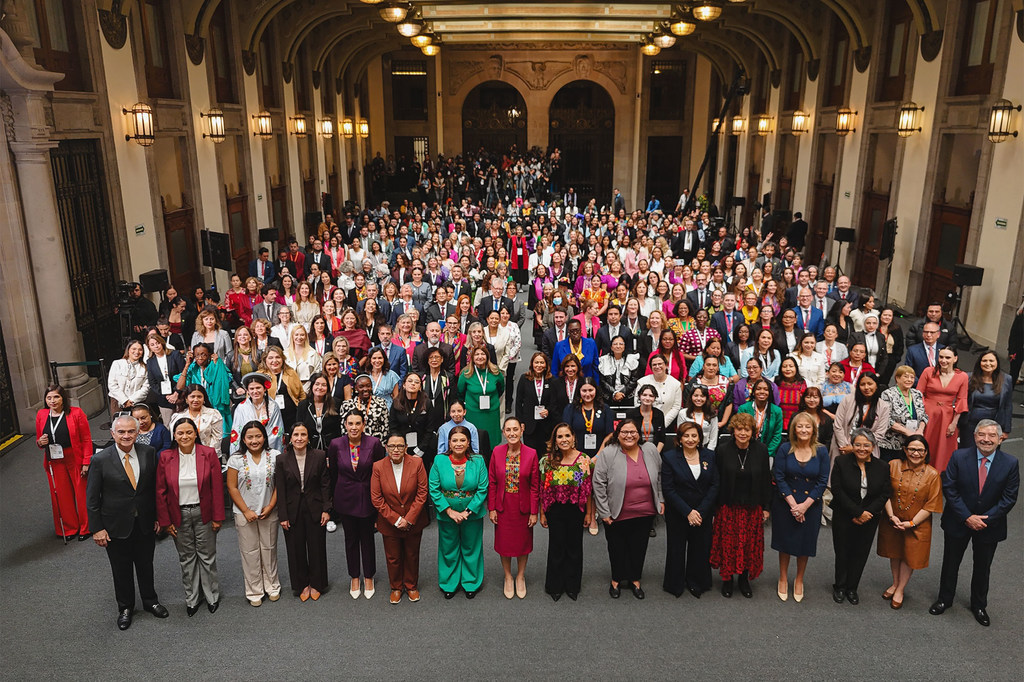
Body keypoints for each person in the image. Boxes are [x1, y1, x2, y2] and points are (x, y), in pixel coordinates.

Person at [930, 420, 1020, 627]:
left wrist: (984, 519)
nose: (986, 439)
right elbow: (949, 488)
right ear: (974, 436)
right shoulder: (959, 456)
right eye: (982, 434)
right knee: (951, 562)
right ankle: (944, 599)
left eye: (991, 436)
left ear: (1000, 439)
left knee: (982, 567)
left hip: (990, 525)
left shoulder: (1010, 463)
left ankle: (979, 605)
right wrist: (967, 517)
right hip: (958, 520)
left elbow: (1009, 497)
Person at [86, 415, 169, 630]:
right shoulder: (100, 460)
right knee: (121, 569)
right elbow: (92, 499)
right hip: (115, 527)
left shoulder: (149, 453)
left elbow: (154, 490)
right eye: (121, 432)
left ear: (138, 432)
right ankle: (125, 607)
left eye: (131, 431)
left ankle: (150, 601)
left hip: (144, 523)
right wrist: (97, 529)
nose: (126, 436)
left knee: (146, 565)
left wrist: (159, 516)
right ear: (113, 434)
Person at [155, 418, 224, 616]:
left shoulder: (208, 454)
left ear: (196, 434)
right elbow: (160, 492)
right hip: (179, 514)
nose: (184, 436)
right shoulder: (166, 457)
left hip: (205, 513)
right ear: (174, 436)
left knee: (207, 556)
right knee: (186, 558)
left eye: (188, 432)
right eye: (180, 433)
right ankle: (192, 598)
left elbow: (217, 488)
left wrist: (218, 517)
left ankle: (211, 595)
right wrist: (165, 521)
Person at [592, 418, 664, 599]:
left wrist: (661, 499)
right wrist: (603, 511)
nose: (629, 435)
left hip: (645, 511)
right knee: (617, 547)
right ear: (618, 434)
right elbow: (598, 484)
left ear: (639, 434)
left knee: (639, 547)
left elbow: (660, 476)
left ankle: (635, 579)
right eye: (624, 432)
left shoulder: (650, 450)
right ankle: (616, 579)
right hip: (617, 511)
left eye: (633, 432)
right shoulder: (609, 453)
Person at [876, 435, 943, 610]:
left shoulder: (932, 474)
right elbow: (885, 493)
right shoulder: (893, 466)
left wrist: (911, 523)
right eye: (912, 449)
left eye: (920, 450)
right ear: (904, 450)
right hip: (892, 519)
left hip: (917, 524)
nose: (915, 453)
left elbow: (931, 505)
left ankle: (900, 589)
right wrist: (891, 517)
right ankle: (895, 583)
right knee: (894, 552)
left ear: (926, 452)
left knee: (909, 556)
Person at [711, 413, 772, 598]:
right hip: (728, 506)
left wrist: (766, 507)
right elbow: (717, 480)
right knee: (728, 544)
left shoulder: (761, 450)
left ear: (752, 431)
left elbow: (766, 481)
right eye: (739, 429)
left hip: (752, 507)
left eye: (747, 429)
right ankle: (728, 579)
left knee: (748, 545)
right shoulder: (722, 450)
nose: (743, 433)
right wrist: (715, 507)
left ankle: (744, 579)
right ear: (733, 430)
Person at [770, 413, 830, 603]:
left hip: (810, 505)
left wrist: (804, 506)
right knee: (785, 543)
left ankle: (799, 580)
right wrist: (794, 505)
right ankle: (782, 578)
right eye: (799, 426)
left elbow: (822, 481)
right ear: (794, 429)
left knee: (805, 544)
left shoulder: (821, 451)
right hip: (786, 504)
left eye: (808, 426)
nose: (804, 430)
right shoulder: (784, 448)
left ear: (814, 429)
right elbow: (778, 477)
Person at [828, 428, 890, 605]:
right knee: (842, 552)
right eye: (858, 445)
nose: (862, 449)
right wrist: (857, 512)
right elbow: (837, 490)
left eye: (866, 445)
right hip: (844, 514)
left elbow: (885, 493)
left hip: (870, 518)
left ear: (873, 446)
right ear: (852, 445)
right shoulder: (841, 462)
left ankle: (852, 588)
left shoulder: (883, 466)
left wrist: (867, 513)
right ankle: (840, 586)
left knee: (860, 553)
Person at [328, 410, 386, 599]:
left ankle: (368, 576)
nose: (354, 427)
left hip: (368, 497)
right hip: (345, 498)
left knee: (367, 538)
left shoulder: (374, 443)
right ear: (345, 425)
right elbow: (333, 474)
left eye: (357, 423)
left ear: (364, 424)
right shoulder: (336, 444)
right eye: (350, 423)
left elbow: (379, 472)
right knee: (350, 539)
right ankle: (354, 576)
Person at [429, 425, 490, 599]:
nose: (458, 443)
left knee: (471, 547)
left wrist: (468, 511)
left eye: (462, 440)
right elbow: (434, 488)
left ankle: (471, 582)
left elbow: (483, 488)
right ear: (449, 442)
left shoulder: (478, 461)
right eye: (454, 440)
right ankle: (449, 582)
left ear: (469, 442)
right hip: (447, 514)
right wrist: (449, 511)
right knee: (448, 549)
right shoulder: (440, 461)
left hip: (472, 513)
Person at [226, 420, 281, 607]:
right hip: (244, 512)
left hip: (269, 510)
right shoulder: (235, 459)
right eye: (250, 437)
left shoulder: (275, 455)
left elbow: (280, 485)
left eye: (258, 436)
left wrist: (272, 505)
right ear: (243, 439)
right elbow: (232, 487)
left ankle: (272, 586)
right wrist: (246, 510)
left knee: (269, 549)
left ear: (264, 437)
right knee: (249, 552)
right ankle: (254, 590)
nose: (254, 440)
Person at [661, 421, 719, 598]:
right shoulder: (670, 457)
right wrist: (688, 512)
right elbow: (668, 489)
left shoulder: (709, 455)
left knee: (700, 548)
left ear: (700, 438)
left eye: (694, 436)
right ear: (679, 438)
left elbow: (715, 485)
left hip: (703, 512)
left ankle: (696, 582)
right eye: (686, 435)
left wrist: (700, 511)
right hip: (679, 512)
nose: (690, 439)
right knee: (676, 548)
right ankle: (675, 584)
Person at [275, 422, 332, 602]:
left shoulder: (320, 456)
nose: (299, 438)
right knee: (295, 548)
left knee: (316, 546)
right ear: (290, 439)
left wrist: (326, 509)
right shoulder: (282, 459)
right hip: (293, 509)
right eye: (296, 435)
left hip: (315, 507)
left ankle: (317, 583)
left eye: (303, 435)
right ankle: (302, 584)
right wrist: (282, 515)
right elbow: (280, 489)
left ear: (308, 438)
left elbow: (325, 485)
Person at [371, 432, 428, 605]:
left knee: (411, 554)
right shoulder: (378, 466)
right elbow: (376, 498)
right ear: (386, 447)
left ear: (406, 447)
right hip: (389, 522)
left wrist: (408, 519)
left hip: (414, 520)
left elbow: (422, 492)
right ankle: (396, 587)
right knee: (393, 556)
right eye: (392, 446)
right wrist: (396, 520)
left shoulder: (417, 463)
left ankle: (411, 585)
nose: (396, 449)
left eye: (400, 446)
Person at [539, 423, 594, 602]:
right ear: (555, 441)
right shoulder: (547, 461)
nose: (564, 440)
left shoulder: (583, 460)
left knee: (574, 547)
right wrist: (542, 513)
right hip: (554, 509)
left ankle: (572, 586)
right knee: (556, 547)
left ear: (573, 438)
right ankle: (554, 585)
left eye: (567, 436)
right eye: (560, 437)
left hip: (576, 509)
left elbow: (587, 490)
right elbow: (543, 489)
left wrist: (589, 514)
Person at [488, 418, 540, 600]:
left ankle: (520, 576)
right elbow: (492, 481)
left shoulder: (532, 453)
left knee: (523, 543)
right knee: (504, 543)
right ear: (503, 432)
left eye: (515, 429)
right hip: (503, 506)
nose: (512, 433)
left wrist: (534, 511)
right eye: (508, 430)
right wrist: (492, 508)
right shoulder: (497, 451)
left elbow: (535, 486)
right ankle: (508, 576)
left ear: (522, 430)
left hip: (523, 506)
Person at [35, 384, 93, 540]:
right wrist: (40, 442)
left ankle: (85, 528)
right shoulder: (41, 414)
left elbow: (86, 439)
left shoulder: (76, 413)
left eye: (56, 397)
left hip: (75, 457)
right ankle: (68, 529)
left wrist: (86, 462)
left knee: (81, 494)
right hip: (54, 460)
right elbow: (39, 441)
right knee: (61, 495)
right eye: (49, 398)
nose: (52, 401)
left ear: (63, 399)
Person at [918, 347, 968, 472]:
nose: (943, 360)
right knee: (925, 444)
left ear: (955, 359)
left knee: (943, 448)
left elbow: (962, 400)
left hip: (947, 417)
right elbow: (918, 394)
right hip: (927, 414)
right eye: (941, 357)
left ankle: (938, 477)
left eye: (947, 357)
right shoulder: (928, 371)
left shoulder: (962, 376)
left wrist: (954, 423)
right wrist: (922, 414)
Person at [830, 373, 890, 463]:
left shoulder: (884, 406)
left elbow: (879, 433)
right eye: (862, 384)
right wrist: (845, 446)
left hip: (867, 451)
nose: (866, 387)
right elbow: (838, 425)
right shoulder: (848, 400)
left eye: (870, 384)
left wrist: (857, 448)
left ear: (876, 385)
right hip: (842, 448)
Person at [175, 343, 233, 432]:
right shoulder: (192, 369)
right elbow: (179, 386)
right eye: (197, 355)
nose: (200, 357)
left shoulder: (217, 365)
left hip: (216, 407)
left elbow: (227, 380)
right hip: (197, 406)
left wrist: (217, 365)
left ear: (210, 355)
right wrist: (187, 365)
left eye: (203, 354)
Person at [961, 351, 1013, 448]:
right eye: (984, 360)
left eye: (991, 361)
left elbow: (1008, 405)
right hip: (970, 425)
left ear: (997, 363)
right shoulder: (968, 377)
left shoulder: (1006, 379)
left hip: (994, 426)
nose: (988, 363)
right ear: (979, 363)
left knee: (988, 455)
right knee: (967, 453)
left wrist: (1006, 429)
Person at [458, 346, 505, 452]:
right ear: (472, 358)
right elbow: (460, 393)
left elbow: (501, 389)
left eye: (482, 354)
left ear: (487, 356)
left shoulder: (495, 371)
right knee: (474, 443)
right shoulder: (466, 374)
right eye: (477, 354)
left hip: (491, 413)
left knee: (492, 444)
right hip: (473, 414)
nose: (480, 357)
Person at [878, 366, 928, 462]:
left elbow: (924, 416)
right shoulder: (888, 394)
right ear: (897, 378)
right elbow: (886, 419)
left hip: (912, 445)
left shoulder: (917, 394)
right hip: (891, 444)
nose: (909, 380)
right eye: (906, 376)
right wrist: (908, 432)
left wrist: (920, 431)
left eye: (912, 377)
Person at [229, 373, 285, 454]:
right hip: (247, 449)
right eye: (251, 389)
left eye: (258, 388)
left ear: (264, 389)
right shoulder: (241, 408)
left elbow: (276, 432)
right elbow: (237, 432)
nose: (255, 391)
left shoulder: (273, 406)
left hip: (268, 448)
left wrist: (261, 445)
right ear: (247, 390)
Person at [515, 352, 556, 454]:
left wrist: (548, 410)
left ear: (546, 365)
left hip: (546, 424)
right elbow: (519, 402)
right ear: (532, 364)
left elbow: (554, 401)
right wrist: (520, 422)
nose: (539, 365)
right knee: (530, 453)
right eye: (536, 362)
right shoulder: (524, 379)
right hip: (529, 424)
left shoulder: (551, 380)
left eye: (542, 363)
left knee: (545, 453)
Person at [171, 384, 225, 452]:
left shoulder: (213, 414)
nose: (196, 400)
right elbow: (174, 439)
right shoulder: (178, 416)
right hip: (184, 454)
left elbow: (217, 439)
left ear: (204, 399)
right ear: (186, 399)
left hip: (208, 455)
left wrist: (207, 454)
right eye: (192, 397)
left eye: (199, 397)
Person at [737, 378, 784, 456]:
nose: (762, 392)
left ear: (770, 393)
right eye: (758, 389)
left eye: (766, 389)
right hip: (745, 452)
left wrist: (766, 453)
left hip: (768, 453)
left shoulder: (777, 411)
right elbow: (739, 431)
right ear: (754, 392)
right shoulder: (743, 409)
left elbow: (777, 436)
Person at [108, 340, 150, 416]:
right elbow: (112, 385)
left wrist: (132, 400)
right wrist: (124, 400)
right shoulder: (117, 364)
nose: (137, 352)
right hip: (118, 401)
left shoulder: (145, 368)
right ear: (128, 350)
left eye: (140, 350)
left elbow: (145, 388)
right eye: (134, 349)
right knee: (120, 426)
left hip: (137, 402)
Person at [678, 385, 719, 449]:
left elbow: (713, 439)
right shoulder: (683, 413)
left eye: (702, 396)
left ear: (706, 398)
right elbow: (680, 435)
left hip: (706, 448)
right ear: (691, 397)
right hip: (687, 448)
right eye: (696, 396)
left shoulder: (712, 415)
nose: (699, 399)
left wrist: (708, 453)